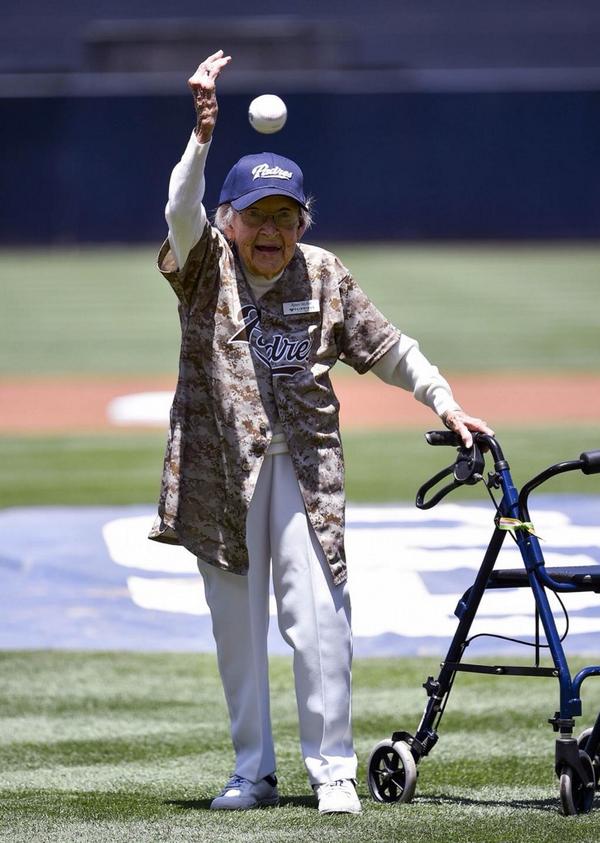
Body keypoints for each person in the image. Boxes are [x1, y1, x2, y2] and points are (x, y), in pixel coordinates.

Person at [149, 50, 494, 815]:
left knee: (320, 619)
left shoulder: (325, 273)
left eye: (285, 216)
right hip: (219, 470)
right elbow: (179, 209)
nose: (270, 230)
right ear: (228, 221)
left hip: (304, 468)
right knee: (237, 631)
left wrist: (445, 401)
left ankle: (332, 769)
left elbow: (390, 347)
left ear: (303, 220)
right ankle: (253, 770)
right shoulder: (203, 264)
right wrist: (202, 136)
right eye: (255, 216)